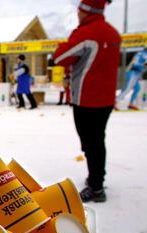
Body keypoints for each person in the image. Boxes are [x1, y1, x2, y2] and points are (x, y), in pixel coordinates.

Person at [53, 0, 121, 203]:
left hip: (86, 99)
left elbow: (60, 57)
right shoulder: (112, 33)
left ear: (87, 11)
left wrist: (63, 44)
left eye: (80, 10)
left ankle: (96, 187)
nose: (78, 14)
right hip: (106, 99)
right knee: (97, 140)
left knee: (91, 143)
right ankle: (96, 178)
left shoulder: (86, 33)